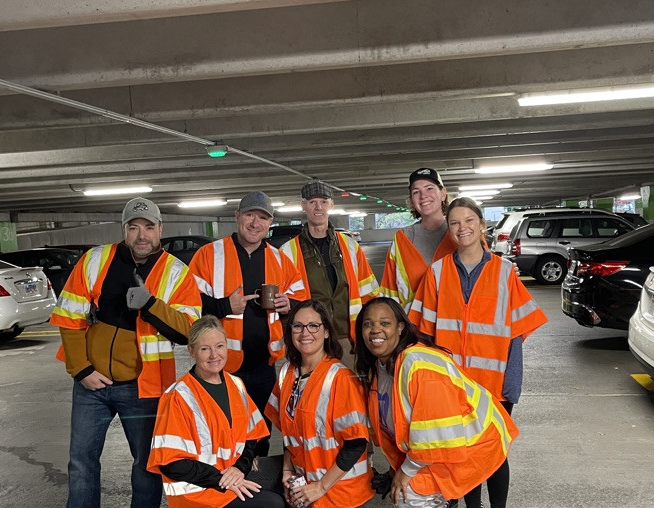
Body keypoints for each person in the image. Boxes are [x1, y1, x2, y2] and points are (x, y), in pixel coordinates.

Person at [41, 196, 202, 508]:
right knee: (81, 462)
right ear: (125, 230)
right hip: (92, 385)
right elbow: (69, 316)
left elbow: (188, 330)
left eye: (148, 227)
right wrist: (81, 369)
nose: (141, 234)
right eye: (133, 227)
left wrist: (150, 305)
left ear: (160, 230)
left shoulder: (177, 273)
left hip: (144, 387)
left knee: (146, 466)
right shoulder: (96, 260)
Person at [89, 316, 285, 508]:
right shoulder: (178, 396)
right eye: (205, 349)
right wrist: (223, 478)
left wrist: (239, 469)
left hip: (224, 486)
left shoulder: (235, 383)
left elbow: (253, 436)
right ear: (191, 351)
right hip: (200, 495)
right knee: (272, 506)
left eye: (219, 346)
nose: (214, 354)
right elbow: (171, 464)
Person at [355, 297, 518, 508]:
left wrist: (405, 472)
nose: (375, 330)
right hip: (446, 445)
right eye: (368, 324)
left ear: (401, 328)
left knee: (409, 498)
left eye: (384, 323)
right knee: (423, 498)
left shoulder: (416, 364)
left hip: (469, 442)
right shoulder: (384, 366)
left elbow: (433, 430)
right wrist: (398, 468)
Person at [410, 197, 547, 508]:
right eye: (454, 223)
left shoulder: (504, 272)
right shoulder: (437, 273)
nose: (462, 228)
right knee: (463, 454)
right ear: (449, 229)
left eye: (468, 220)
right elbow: (423, 335)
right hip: (454, 388)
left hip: (494, 384)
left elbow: (515, 335)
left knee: (495, 453)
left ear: (481, 225)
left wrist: (510, 387)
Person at [262, 299, 395, 508]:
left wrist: (319, 488)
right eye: (298, 326)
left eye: (313, 325)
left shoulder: (340, 378)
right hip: (304, 471)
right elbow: (291, 433)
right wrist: (287, 470)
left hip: (341, 484)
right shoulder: (287, 372)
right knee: (246, 479)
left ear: (325, 332)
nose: (305, 332)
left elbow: (357, 444)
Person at [187, 191, 296, 457]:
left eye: (262, 218)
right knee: (221, 432)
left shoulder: (280, 259)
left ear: (269, 223)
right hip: (220, 365)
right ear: (237, 217)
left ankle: (255, 491)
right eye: (249, 215)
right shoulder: (208, 255)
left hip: (264, 367)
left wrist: (288, 305)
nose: (255, 223)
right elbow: (188, 304)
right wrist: (225, 306)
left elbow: (301, 301)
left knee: (260, 435)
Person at [280, 181, 378, 359]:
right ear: (304, 206)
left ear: (331, 204)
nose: (318, 207)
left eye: (323, 201)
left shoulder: (350, 246)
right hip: (310, 340)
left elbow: (369, 293)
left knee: (350, 385)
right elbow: (284, 303)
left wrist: (368, 332)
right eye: (312, 202)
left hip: (348, 339)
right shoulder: (287, 252)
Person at [380, 168, 456, 312]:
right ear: (411, 200)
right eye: (416, 192)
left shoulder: (462, 232)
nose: (423, 196)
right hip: (415, 327)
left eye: (429, 188)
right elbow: (390, 291)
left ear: (443, 194)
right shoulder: (403, 239)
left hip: (455, 325)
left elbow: (488, 275)